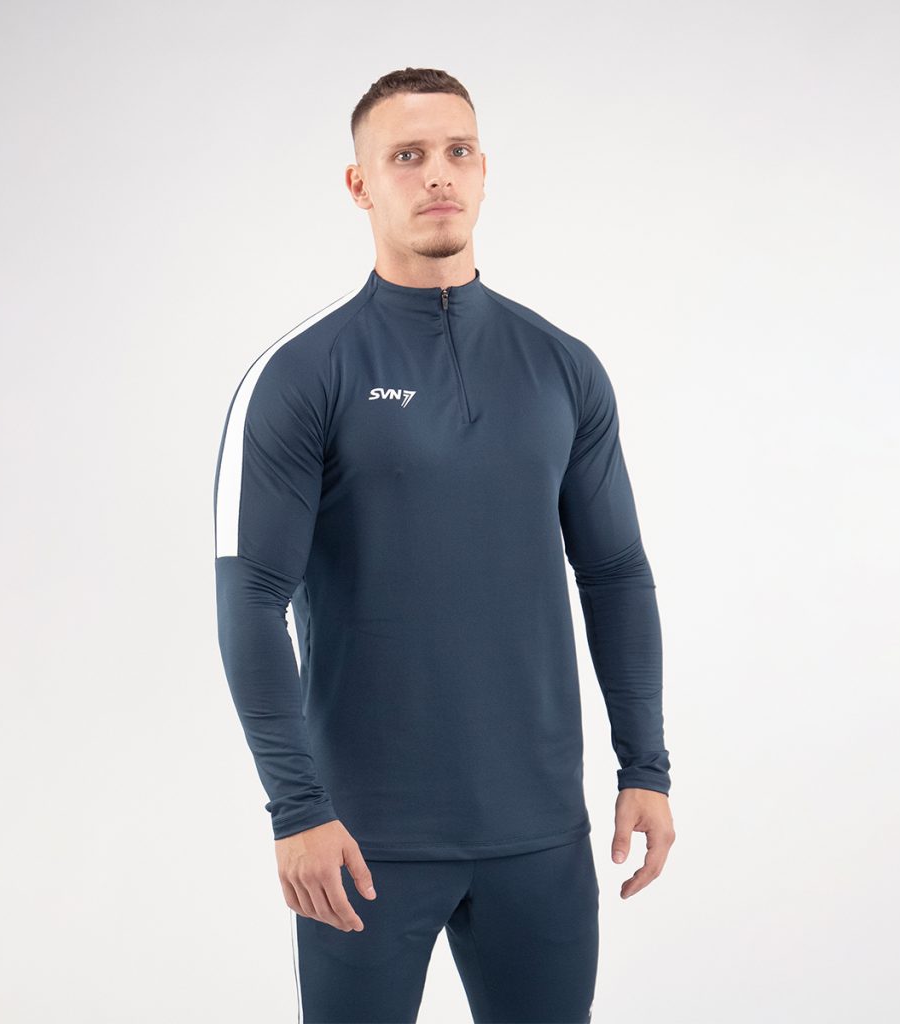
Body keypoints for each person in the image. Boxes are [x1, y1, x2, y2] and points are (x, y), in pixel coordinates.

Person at [212, 66, 675, 1024]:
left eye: (457, 151)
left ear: (484, 170)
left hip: (540, 834)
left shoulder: (563, 367)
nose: (437, 174)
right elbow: (251, 596)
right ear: (359, 184)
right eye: (407, 155)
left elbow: (616, 575)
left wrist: (646, 767)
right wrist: (296, 809)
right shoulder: (304, 373)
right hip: (360, 841)